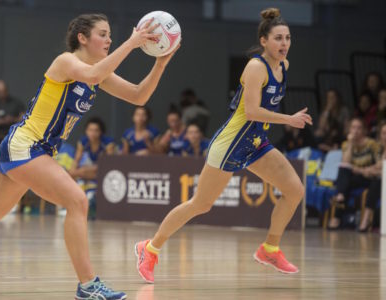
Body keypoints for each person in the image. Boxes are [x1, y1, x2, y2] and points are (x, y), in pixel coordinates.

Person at [0, 13, 179, 299]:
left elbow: (138, 95)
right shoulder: (67, 62)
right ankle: (88, 285)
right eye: (103, 34)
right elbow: (94, 75)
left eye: (110, 35)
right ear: (82, 38)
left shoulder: (99, 71)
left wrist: (160, 63)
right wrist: (132, 43)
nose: (109, 40)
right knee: (77, 200)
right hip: (26, 145)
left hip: (32, 149)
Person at [134, 8, 312, 284]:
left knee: (294, 190)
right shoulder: (255, 67)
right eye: (278, 38)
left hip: (255, 142)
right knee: (200, 205)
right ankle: (150, 248)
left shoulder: (283, 67)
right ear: (264, 41)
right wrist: (288, 119)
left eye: (288, 38)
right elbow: (251, 111)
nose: (285, 43)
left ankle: (270, 249)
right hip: (231, 143)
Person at [328, 118, 381, 230]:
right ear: (349, 129)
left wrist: (362, 170)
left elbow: (380, 165)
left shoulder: (372, 144)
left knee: (345, 183)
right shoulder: (346, 144)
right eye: (353, 127)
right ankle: (340, 196)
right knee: (343, 171)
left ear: (364, 130)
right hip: (354, 176)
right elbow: (346, 163)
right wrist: (351, 144)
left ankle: (342, 213)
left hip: (369, 176)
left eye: (359, 128)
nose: (356, 131)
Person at [358, 121, 386, 232]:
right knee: (372, 181)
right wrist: (368, 170)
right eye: (383, 133)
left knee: (376, 182)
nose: (385, 136)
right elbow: (377, 166)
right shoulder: (379, 150)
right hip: (377, 179)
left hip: (382, 180)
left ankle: (366, 219)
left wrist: (372, 171)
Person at [0, 80, 26, 151]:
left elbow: (24, 118)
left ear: (6, 90)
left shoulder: (16, 103)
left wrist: (13, 119)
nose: (1, 94)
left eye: (3, 91)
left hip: (13, 139)